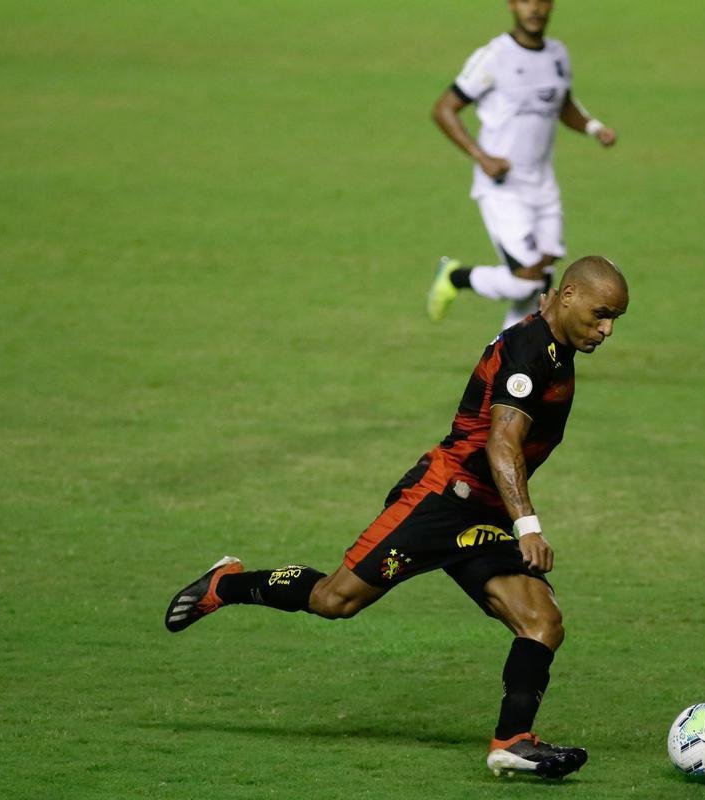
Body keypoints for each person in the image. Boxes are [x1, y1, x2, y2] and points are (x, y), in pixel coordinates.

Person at [165, 256, 629, 780]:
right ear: (567, 296)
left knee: (542, 621)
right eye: (601, 314)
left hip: (482, 515)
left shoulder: (558, 349)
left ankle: (512, 742)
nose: (607, 329)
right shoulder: (527, 353)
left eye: (615, 319)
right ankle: (227, 584)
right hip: (439, 502)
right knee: (334, 601)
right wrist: (528, 525)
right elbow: (502, 442)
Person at [427, 0, 617, 331]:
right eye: (527, 1)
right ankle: (456, 277)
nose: (535, 9)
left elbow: (563, 103)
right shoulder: (494, 56)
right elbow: (444, 109)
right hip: (503, 188)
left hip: (543, 184)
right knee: (527, 277)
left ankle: (508, 359)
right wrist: (481, 156)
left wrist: (593, 127)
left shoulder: (557, 54)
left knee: (541, 285)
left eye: (542, 1)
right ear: (512, 5)